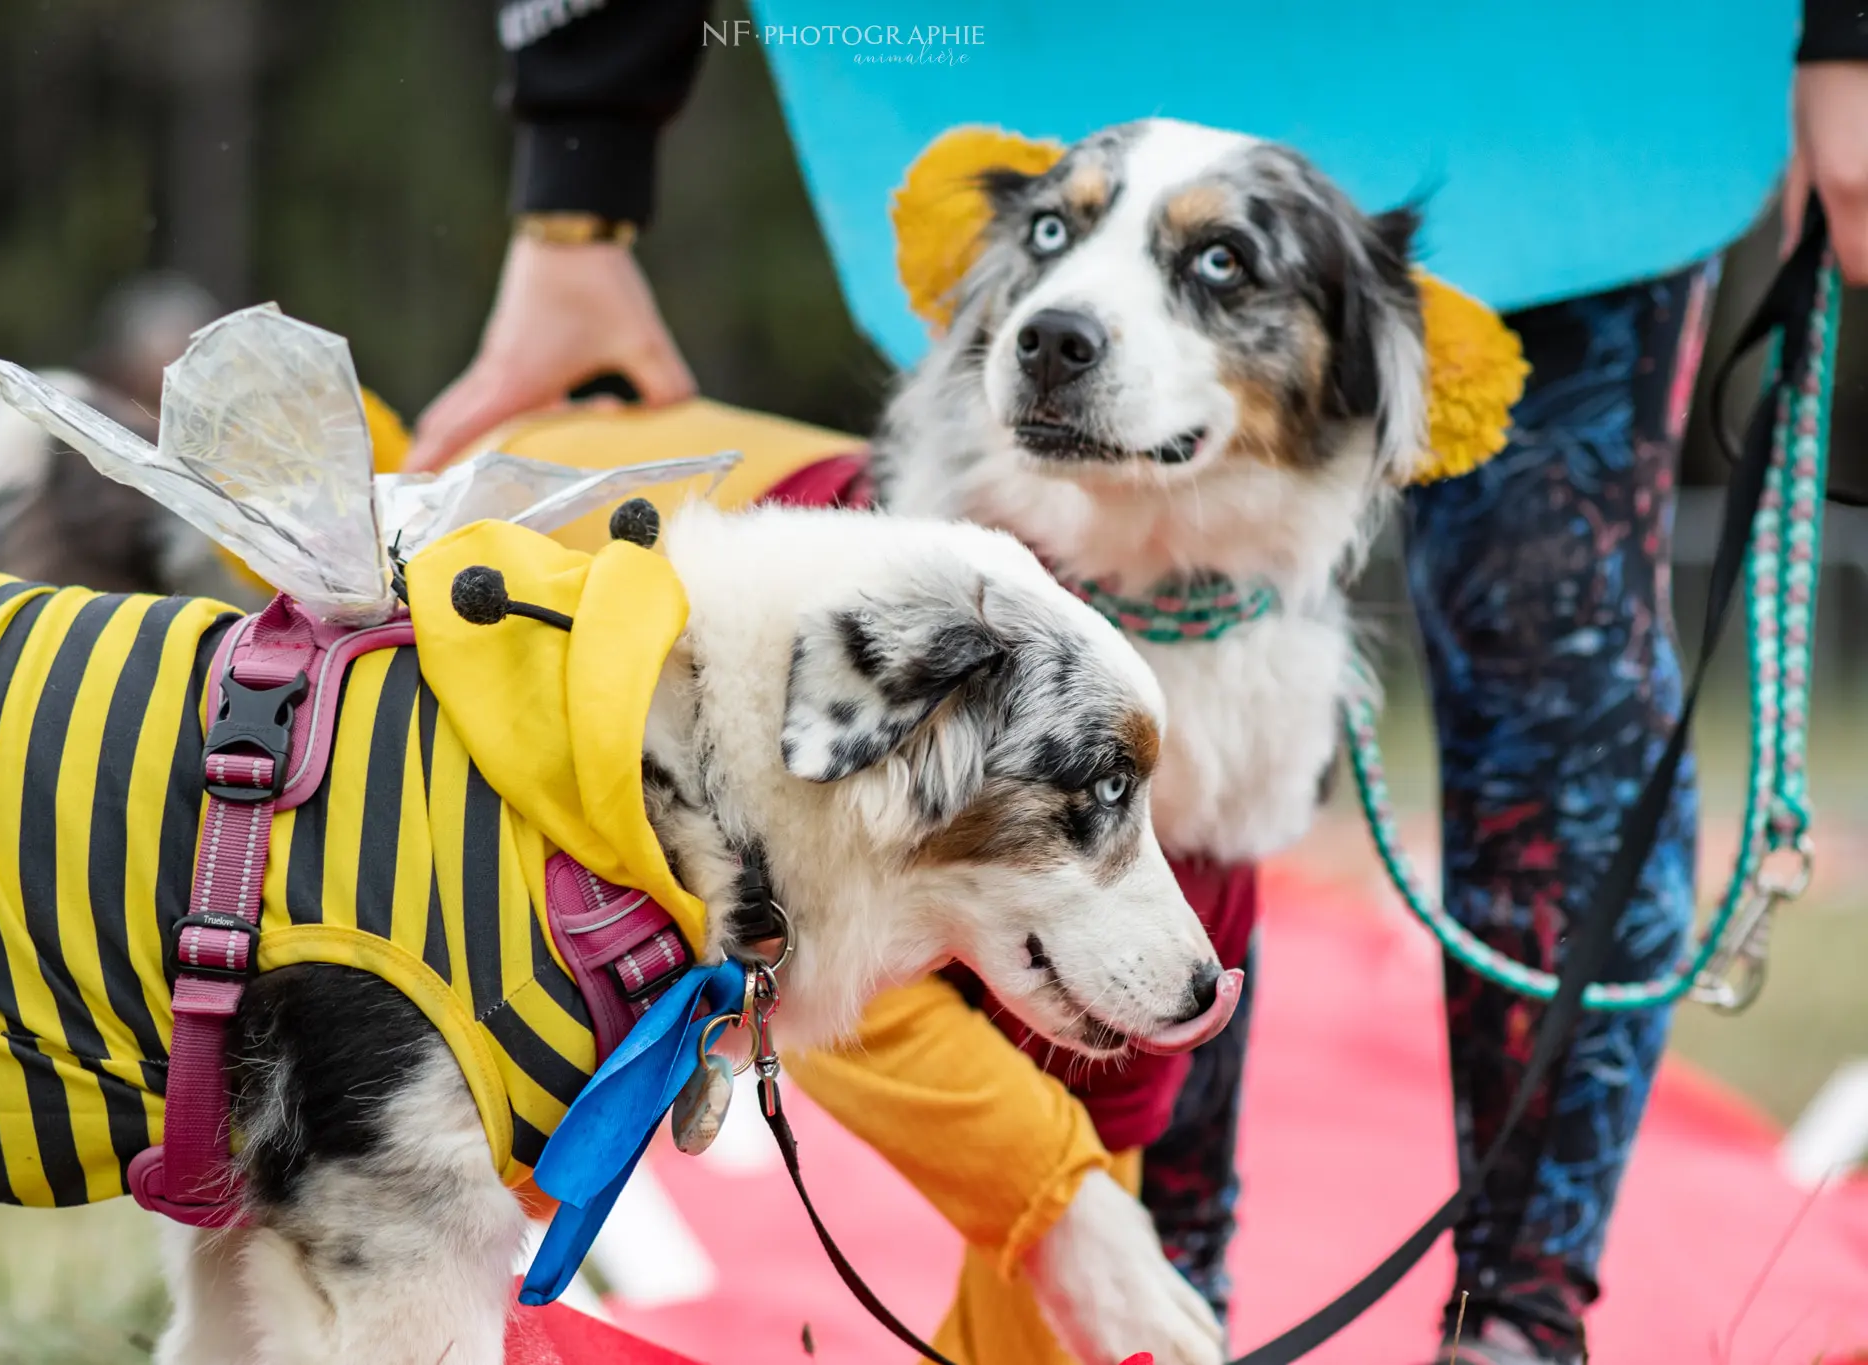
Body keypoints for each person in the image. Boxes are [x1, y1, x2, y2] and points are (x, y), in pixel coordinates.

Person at [404, 7, 1868, 1364]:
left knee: (1557, 685)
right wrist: (574, 181)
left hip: (1573, 100)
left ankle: (1514, 1327)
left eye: (1217, 264)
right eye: (1054, 241)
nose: (1067, 314)